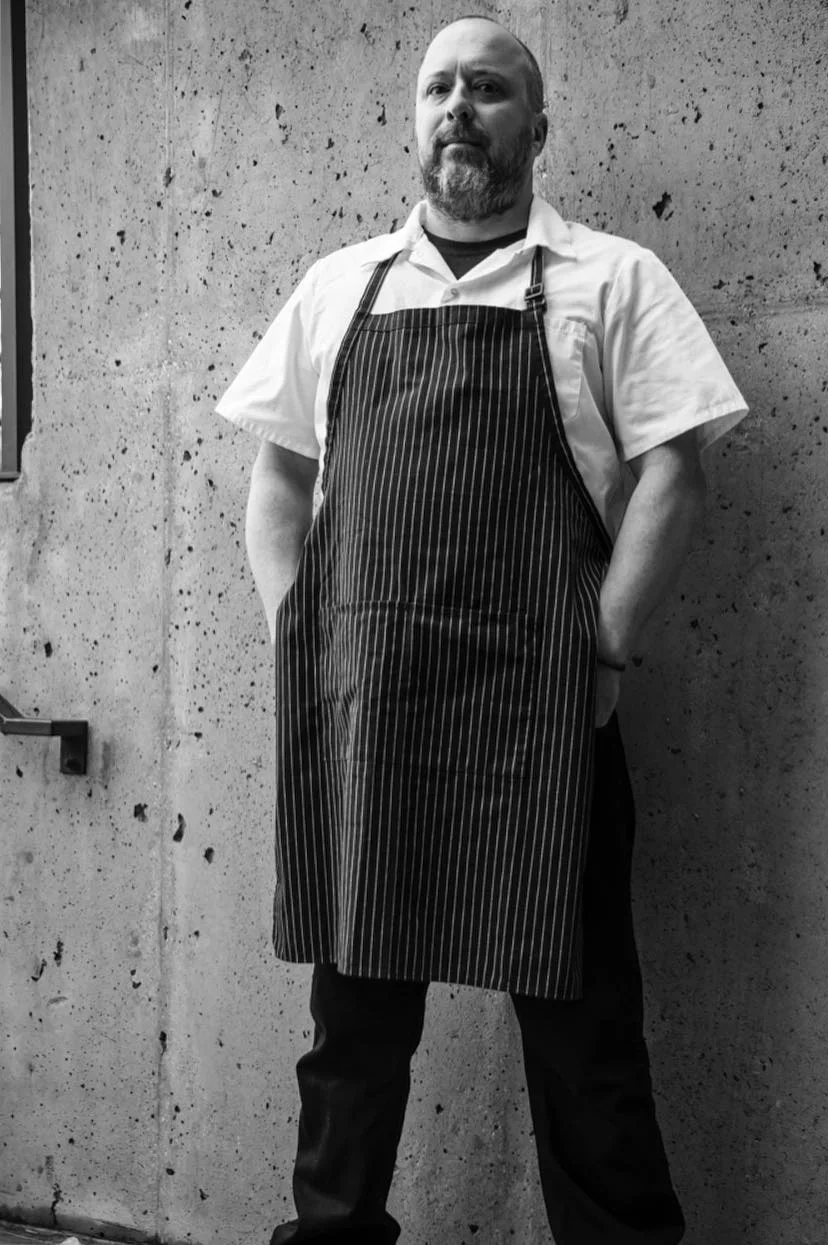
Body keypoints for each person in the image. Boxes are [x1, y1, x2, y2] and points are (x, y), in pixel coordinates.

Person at [217, 14, 747, 1244]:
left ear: (538, 123)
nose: (461, 107)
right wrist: (306, 638)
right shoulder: (339, 287)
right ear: (414, 119)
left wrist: (604, 647)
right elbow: (280, 482)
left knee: (586, 1040)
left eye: (492, 89)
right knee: (350, 1042)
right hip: (369, 720)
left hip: (542, 720)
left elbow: (679, 470)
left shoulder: (611, 279)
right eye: (440, 87)